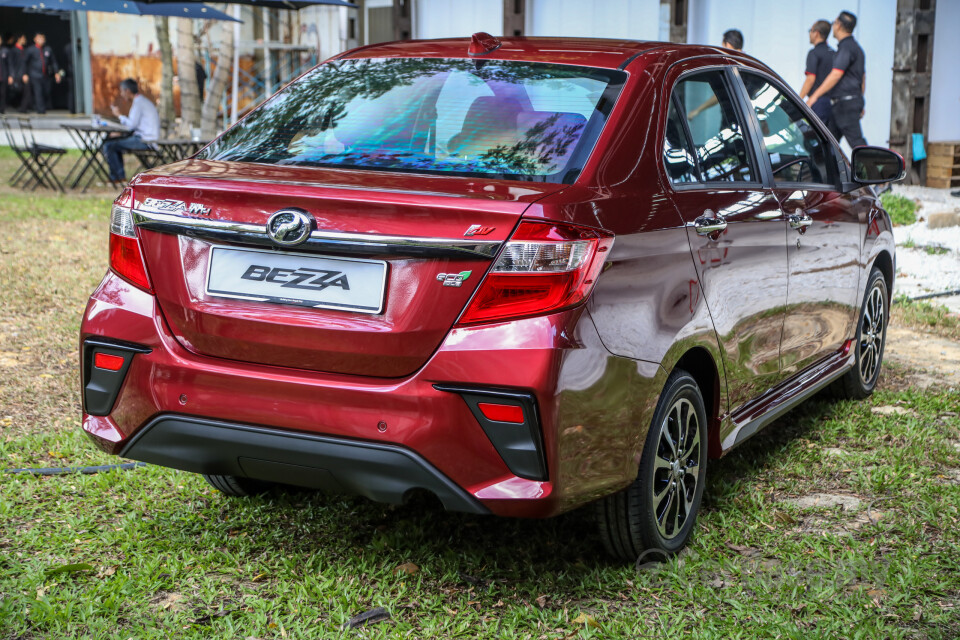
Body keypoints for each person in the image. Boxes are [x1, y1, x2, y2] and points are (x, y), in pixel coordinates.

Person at [806, 10, 866, 147]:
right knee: (826, 144)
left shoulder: (846, 48)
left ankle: (876, 168)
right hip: (842, 104)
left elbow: (836, 74)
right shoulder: (856, 48)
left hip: (845, 105)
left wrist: (813, 97)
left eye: (834, 23)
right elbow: (862, 77)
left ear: (838, 25)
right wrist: (860, 100)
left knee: (857, 145)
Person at [102, 78, 160, 184]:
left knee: (110, 145)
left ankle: (117, 178)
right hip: (146, 138)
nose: (121, 94)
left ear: (127, 91)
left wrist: (119, 115)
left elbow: (131, 126)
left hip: (145, 140)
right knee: (113, 144)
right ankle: (119, 177)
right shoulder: (142, 101)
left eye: (122, 91)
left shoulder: (138, 103)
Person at [687, 29, 743, 120]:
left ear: (727, 45)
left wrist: (697, 110)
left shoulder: (735, 67)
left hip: (733, 125)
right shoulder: (748, 67)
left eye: (722, 46)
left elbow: (721, 94)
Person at [798, 20, 834, 125]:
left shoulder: (813, 53)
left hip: (818, 102)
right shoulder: (835, 53)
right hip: (833, 104)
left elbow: (810, 79)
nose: (809, 33)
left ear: (816, 33)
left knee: (813, 138)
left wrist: (799, 100)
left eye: (810, 30)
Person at [20, 32, 60, 114]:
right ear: (35, 39)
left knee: (46, 91)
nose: (41, 40)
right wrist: (24, 74)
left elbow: (53, 62)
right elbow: (24, 62)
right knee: (38, 92)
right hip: (34, 74)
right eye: (39, 38)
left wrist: (56, 72)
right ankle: (41, 110)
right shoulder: (31, 50)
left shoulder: (47, 49)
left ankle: (40, 106)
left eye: (42, 38)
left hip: (45, 75)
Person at [0, 33, 11, 114]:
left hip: (3, 76)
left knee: (3, 93)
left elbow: (10, 64)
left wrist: (11, 75)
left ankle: (2, 109)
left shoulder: (5, 51)